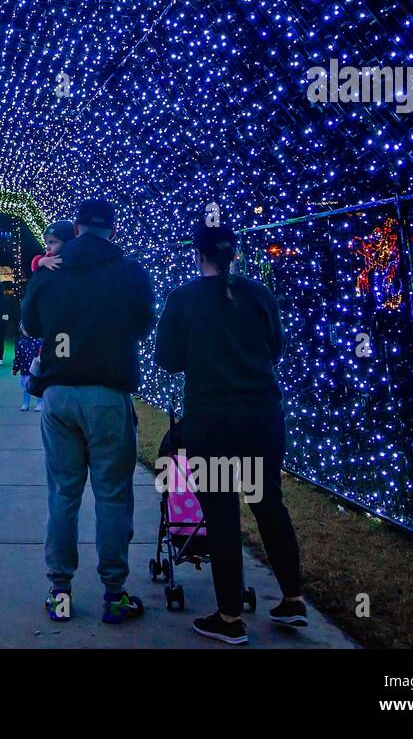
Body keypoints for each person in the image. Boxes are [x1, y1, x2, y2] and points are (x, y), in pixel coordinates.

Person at [154, 220, 305, 645]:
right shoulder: (259, 294)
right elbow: (275, 349)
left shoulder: (183, 297)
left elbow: (167, 358)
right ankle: (293, 599)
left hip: (212, 420)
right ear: (233, 254)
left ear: (198, 254)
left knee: (221, 514)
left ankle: (229, 617)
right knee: (268, 504)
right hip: (261, 415)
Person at [20, 198, 156, 624]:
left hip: (59, 394)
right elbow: (144, 323)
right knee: (113, 496)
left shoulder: (50, 271)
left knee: (63, 493)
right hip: (107, 393)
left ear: (76, 229)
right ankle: (114, 595)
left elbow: (29, 326)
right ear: (111, 230)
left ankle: (59, 591)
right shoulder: (129, 271)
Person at [13, 327, 43, 411]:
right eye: (24, 329)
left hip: (36, 370)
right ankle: (25, 403)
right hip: (25, 369)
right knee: (25, 388)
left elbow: (42, 356)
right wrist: (15, 367)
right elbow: (18, 357)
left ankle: (40, 403)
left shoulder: (39, 342)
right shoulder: (21, 343)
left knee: (38, 387)